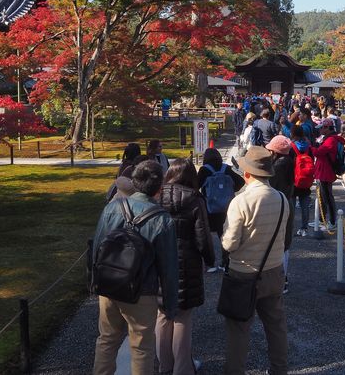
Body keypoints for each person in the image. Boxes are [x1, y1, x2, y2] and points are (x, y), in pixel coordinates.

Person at [92, 160, 178, 375]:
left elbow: (96, 248)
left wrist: (95, 281)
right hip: (143, 290)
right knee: (141, 348)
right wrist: (169, 303)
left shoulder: (112, 207)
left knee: (106, 340)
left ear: (134, 181)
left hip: (109, 284)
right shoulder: (162, 219)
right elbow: (168, 267)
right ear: (160, 188)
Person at [221, 146, 289, 375]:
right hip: (274, 268)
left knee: (238, 329)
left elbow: (229, 244)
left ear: (247, 173)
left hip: (244, 272)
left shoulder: (240, 202)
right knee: (276, 326)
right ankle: (279, 369)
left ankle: (235, 371)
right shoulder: (281, 198)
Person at [156, 159, 215, 375]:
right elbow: (203, 237)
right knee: (182, 316)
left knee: (162, 314)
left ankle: (165, 365)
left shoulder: (157, 195)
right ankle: (183, 368)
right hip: (186, 261)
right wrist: (210, 260)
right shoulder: (194, 199)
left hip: (160, 260)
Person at [198, 148, 245, 272]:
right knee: (224, 234)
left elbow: (196, 186)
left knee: (207, 236)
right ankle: (226, 262)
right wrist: (229, 191)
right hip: (227, 208)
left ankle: (211, 263)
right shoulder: (226, 168)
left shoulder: (204, 170)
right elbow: (241, 181)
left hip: (210, 208)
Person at [266, 135, 295, 293]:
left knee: (278, 243)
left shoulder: (277, 167)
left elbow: (270, 187)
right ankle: (283, 278)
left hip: (278, 204)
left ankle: (280, 279)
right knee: (285, 243)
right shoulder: (289, 162)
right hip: (287, 203)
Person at [312, 118, 344, 230]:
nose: (319, 130)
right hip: (323, 170)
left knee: (327, 197)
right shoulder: (329, 138)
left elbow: (319, 152)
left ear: (326, 128)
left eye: (321, 128)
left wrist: (311, 147)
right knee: (322, 196)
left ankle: (332, 221)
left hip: (326, 171)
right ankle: (322, 219)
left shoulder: (331, 140)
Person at [290, 125, 314, 236]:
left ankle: (290, 228)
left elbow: (289, 163)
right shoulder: (308, 146)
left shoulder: (292, 147)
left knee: (292, 205)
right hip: (306, 179)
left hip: (294, 179)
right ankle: (304, 228)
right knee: (305, 205)